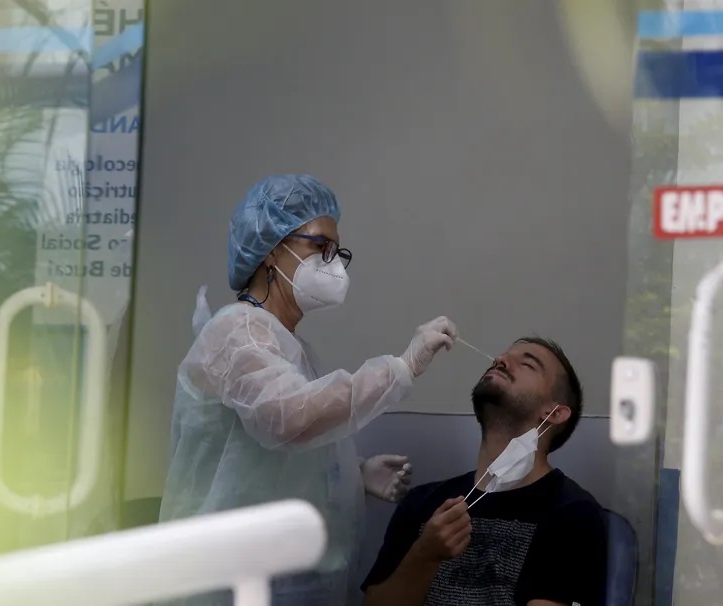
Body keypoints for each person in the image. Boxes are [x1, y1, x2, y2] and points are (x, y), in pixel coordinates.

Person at [159, 174, 457, 606]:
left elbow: (266, 459)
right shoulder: (238, 330)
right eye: (321, 246)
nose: (333, 264)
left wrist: (352, 474)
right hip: (229, 584)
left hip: (278, 581)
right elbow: (287, 419)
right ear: (271, 248)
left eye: (337, 252)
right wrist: (402, 368)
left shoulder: (284, 343)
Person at [361, 337, 608, 606]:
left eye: (527, 364)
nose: (500, 361)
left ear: (555, 413)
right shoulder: (422, 502)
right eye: (501, 357)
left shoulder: (572, 513)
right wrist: (424, 555)